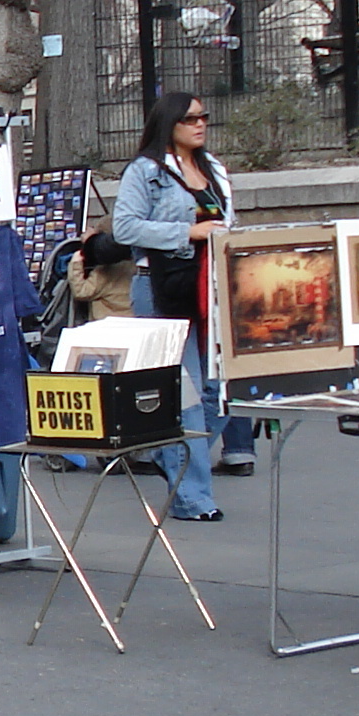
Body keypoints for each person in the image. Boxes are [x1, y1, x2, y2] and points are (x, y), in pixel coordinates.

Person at [111, 91, 232, 523]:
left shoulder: (213, 169)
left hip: (210, 287)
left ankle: (170, 455)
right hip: (162, 286)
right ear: (169, 124)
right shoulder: (146, 172)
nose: (200, 125)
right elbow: (125, 227)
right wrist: (187, 232)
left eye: (204, 116)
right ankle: (193, 497)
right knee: (187, 396)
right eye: (190, 119)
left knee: (221, 391)